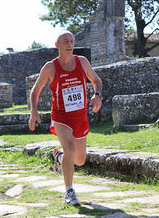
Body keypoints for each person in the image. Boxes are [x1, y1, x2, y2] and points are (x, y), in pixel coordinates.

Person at [28, 31, 103, 206]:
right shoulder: (50, 67)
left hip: (80, 116)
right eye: (65, 41)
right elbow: (35, 90)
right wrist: (34, 111)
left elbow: (96, 80)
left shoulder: (82, 62)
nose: (69, 44)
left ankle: (59, 157)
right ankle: (69, 192)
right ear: (58, 45)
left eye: (71, 41)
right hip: (61, 117)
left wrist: (97, 95)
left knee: (79, 160)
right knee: (70, 148)